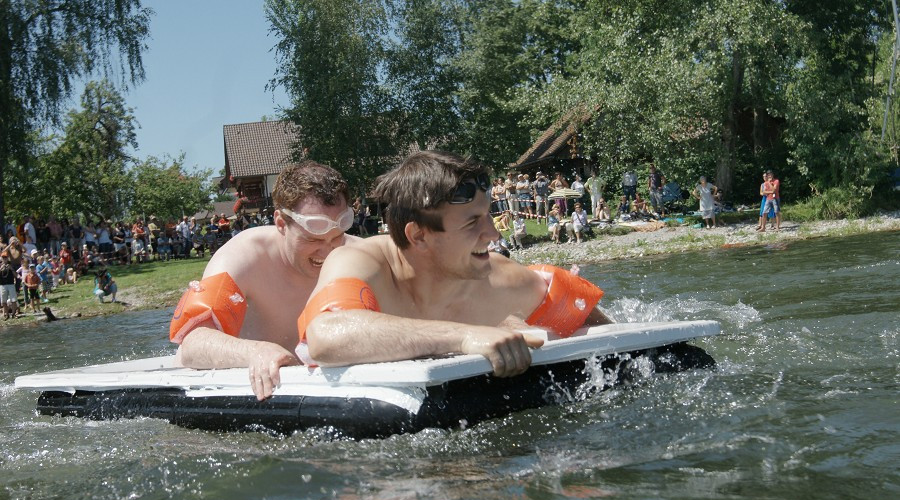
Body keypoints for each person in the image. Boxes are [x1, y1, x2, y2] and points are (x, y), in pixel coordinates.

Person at [298, 150, 613, 377]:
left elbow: (615, 337)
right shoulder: (359, 261)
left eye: (488, 215)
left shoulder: (505, 280)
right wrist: (465, 336)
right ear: (418, 236)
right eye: (472, 223)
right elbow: (325, 337)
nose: (492, 234)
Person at [171, 161, 357, 401]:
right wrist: (256, 350)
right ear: (281, 223)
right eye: (313, 239)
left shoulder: (358, 255)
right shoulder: (242, 257)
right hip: (233, 383)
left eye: (337, 236)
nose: (328, 251)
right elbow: (193, 343)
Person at [0, 255, 18, 319]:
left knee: (13, 299)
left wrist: (11, 269)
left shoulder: (11, 265)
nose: (5, 259)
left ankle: (13, 314)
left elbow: (16, 275)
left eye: (5, 258)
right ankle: (6, 314)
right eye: (3, 258)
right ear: (2, 259)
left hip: (11, 284)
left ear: (7, 258)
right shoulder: (0, 266)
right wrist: (1, 269)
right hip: (2, 285)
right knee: (3, 301)